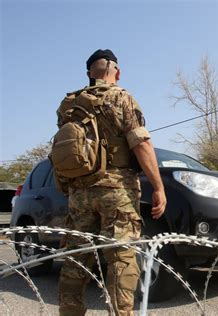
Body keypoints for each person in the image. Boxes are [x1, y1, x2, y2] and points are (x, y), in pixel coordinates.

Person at [56, 49, 167, 316]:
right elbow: (141, 144)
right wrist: (159, 187)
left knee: (75, 261)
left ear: (88, 74)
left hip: (79, 194)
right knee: (120, 260)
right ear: (117, 71)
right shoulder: (121, 97)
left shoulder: (68, 106)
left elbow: (64, 153)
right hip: (117, 191)